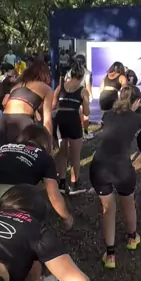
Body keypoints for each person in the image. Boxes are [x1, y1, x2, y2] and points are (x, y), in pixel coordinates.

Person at [90, 85, 141, 269]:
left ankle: (110, 255)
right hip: (122, 168)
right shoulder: (137, 118)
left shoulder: (108, 115)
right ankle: (132, 238)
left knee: (108, 209)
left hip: (99, 166)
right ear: (137, 102)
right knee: (128, 203)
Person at [0, 125, 73, 229]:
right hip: (10, 195)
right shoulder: (44, 157)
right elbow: (53, 193)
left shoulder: (4, 147)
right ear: (46, 142)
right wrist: (66, 218)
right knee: (8, 232)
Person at [0, 60, 53, 147]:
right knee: (26, 152)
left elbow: (4, 103)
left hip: (3, 119)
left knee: (1, 152)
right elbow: (47, 122)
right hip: (22, 121)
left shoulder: (16, 86)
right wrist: (49, 144)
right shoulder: (46, 88)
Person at [53, 61, 90, 195]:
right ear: (81, 77)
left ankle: (62, 183)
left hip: (60, 120)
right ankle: (74, 185)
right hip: (73, 120)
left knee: (62, 153)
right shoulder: (83, 90)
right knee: (75, 155)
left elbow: (53, 106)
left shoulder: (60, 87)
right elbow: (86, 112)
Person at [74, 53, 93, 138]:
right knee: (85, 115)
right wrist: (90, 95)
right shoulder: (87, 73)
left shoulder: (70, 72)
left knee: (76, 115)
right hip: (83, 94)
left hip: (73, 94)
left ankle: (77, 132)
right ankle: (85, 132)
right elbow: (88, 85)